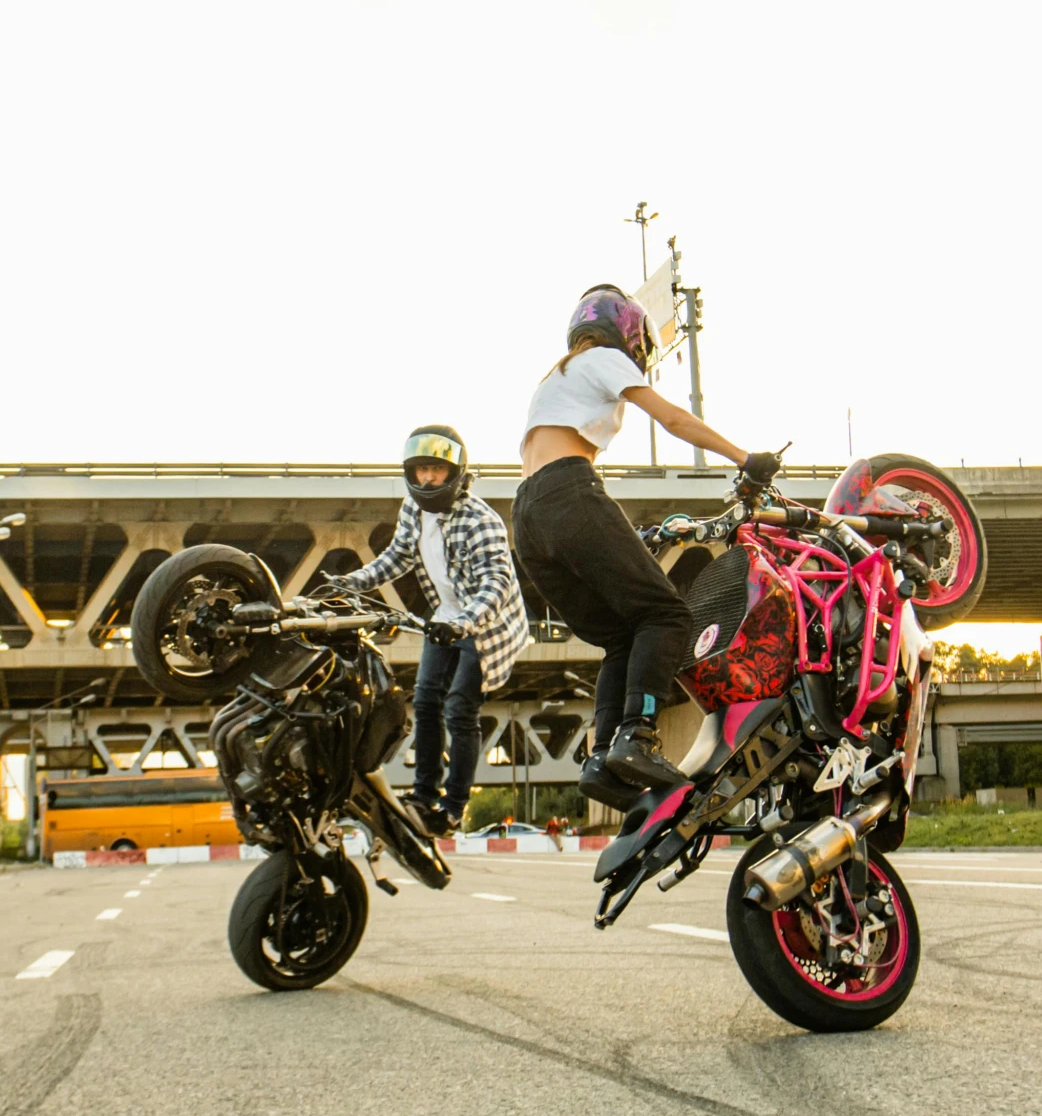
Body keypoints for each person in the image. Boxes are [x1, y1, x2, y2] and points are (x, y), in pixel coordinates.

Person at [513, 285, 779, 804]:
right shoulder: (606, 359)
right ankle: (637, 736)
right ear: (627, 331)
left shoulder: (558, 376)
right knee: (668, 616)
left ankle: (601, 759)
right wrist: (745, 458)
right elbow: (673, 419)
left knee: (623, 636)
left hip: (527, 517)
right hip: (569, 490)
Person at [323, 425, 528, 835]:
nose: (428, 479)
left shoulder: (481, 520)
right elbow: (396, 557)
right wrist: (352, 582)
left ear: (456, 472)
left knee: (459, 710)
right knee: (425, 701)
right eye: (420, 471)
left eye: (436, 469)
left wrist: (463, 622)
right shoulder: (412, 510)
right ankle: (423, 796)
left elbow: (496, 584)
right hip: (443, 619)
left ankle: (451, 811)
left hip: (484, 627)